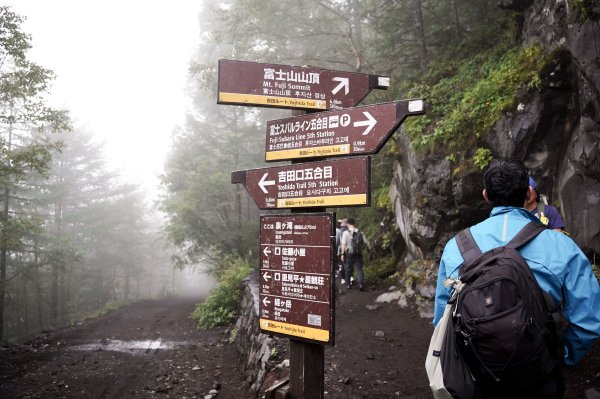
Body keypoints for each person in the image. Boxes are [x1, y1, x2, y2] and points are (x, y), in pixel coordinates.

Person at [433, 158, 600, 398]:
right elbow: (588, 319)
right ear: (528, 192)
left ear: (485, 195)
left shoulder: (456, 246)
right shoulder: (561, 245)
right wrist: (562, 358)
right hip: (540, 373)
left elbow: (442, 318)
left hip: (479, 370)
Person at [340, 218, 369, 291]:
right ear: (354, 223)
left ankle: (348, 284)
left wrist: (342, 254)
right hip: (358, 253)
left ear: (348, 224)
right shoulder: (360, 232)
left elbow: (343, 244)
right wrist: (369, 249)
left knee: (348, 269)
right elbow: (366, 242)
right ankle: (361, 284)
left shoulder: (346, 233)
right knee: (359, 269)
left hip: (350, 253)